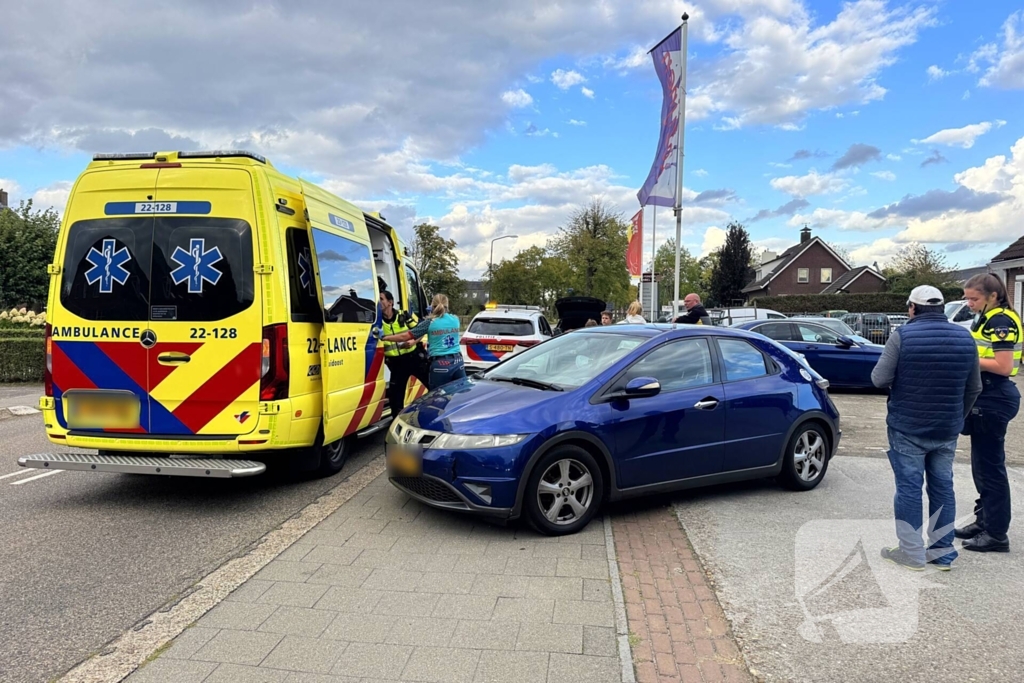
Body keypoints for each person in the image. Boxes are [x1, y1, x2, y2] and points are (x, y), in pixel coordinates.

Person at [871, 285, 981, 571]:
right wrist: (958, 417)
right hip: (947, 429)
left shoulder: (902, 336)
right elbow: (974, 387)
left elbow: (879, 379)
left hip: (907, 427)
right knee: (943, 488)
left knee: (909, 489)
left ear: (912, 308)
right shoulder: (965, 337)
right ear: (942, 308)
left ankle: (912, 553)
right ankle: (942, 553)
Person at [955, 273, 1022, 553]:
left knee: (990, 468)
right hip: (987, 395)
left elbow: (1004, 366)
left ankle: (996, 533)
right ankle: (984, 521)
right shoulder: (986, 316)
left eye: (974, 298)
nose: (969, 303)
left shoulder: (1000, 320)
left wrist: (969, 360)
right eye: (967, 298)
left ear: (993, 296)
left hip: (994, 396)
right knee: (981, 467)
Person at [380, 293, 466, 390]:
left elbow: (405, 336)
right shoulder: (456, 319)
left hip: (441, 364)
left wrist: (384, 337)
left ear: (432, 306)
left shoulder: (430, 322)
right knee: (460, 395)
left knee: (438, 397)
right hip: (458, 362)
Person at [378, 291, 429, 416]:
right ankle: (396, 423)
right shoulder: (377, 321)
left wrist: (413, 341)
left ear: (390, 302)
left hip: (414, 358)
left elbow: (421, 330)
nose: (379, 302)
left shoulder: (403, 316)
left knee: (433, 385)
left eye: (381, 299)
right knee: (396, 398)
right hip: (395, 364)